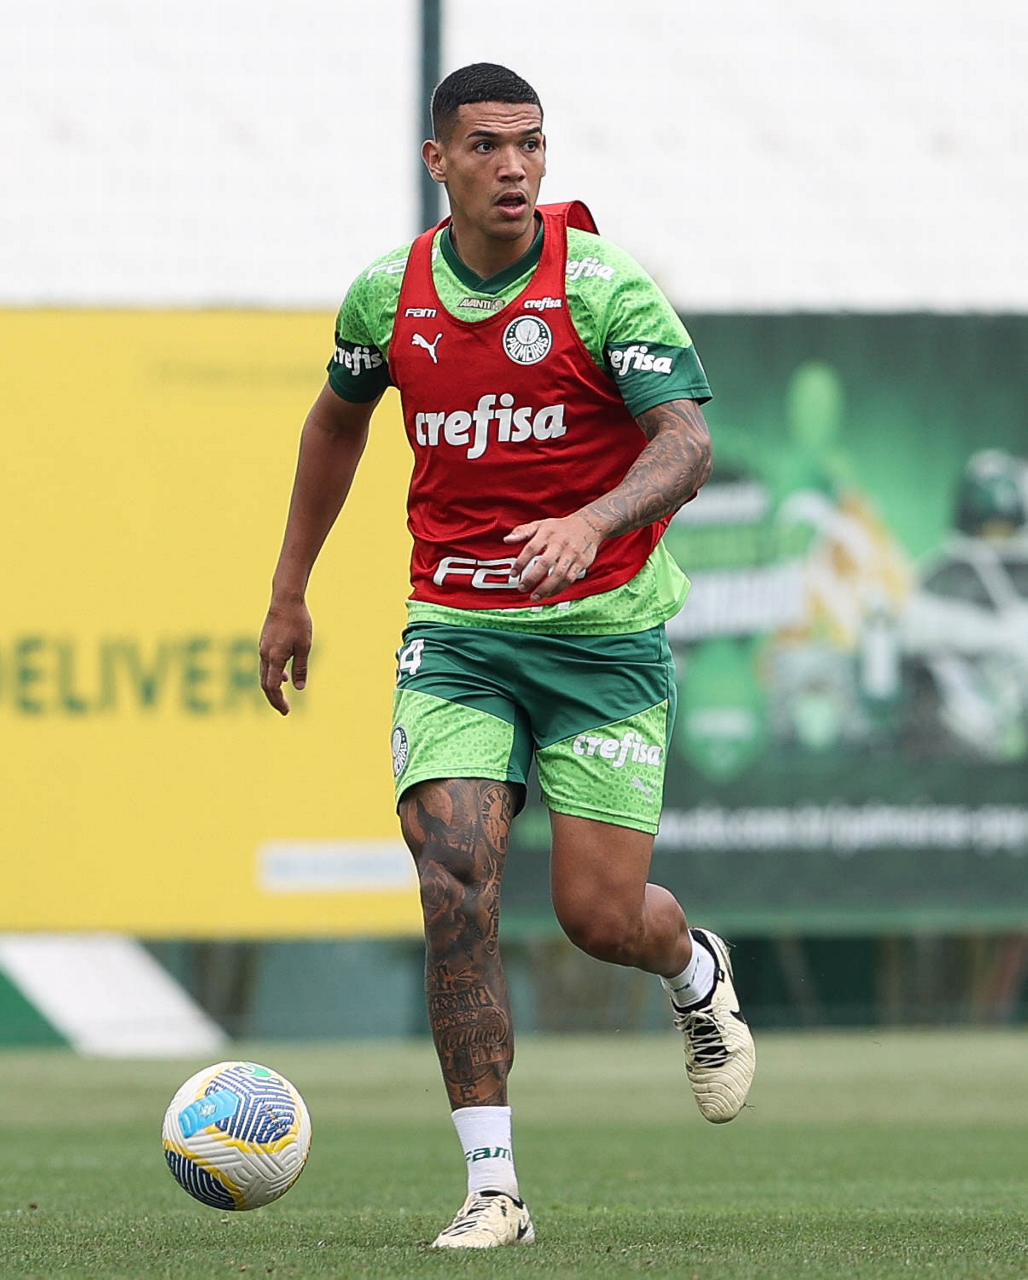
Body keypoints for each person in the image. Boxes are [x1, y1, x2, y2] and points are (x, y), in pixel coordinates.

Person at [259, 62, 755, 1249]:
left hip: (603, 638)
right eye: (485, 145)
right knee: (452, 879)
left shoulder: (599, 286)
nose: (514, 166)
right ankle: (494, 1189)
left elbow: (685, 444)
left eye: (529, 143)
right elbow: (335, 423)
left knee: (597, 916)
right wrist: (288, 591)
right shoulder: (387, 296)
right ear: (438, 161)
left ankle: (692, 968)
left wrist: (592, 519)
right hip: (459, 635)